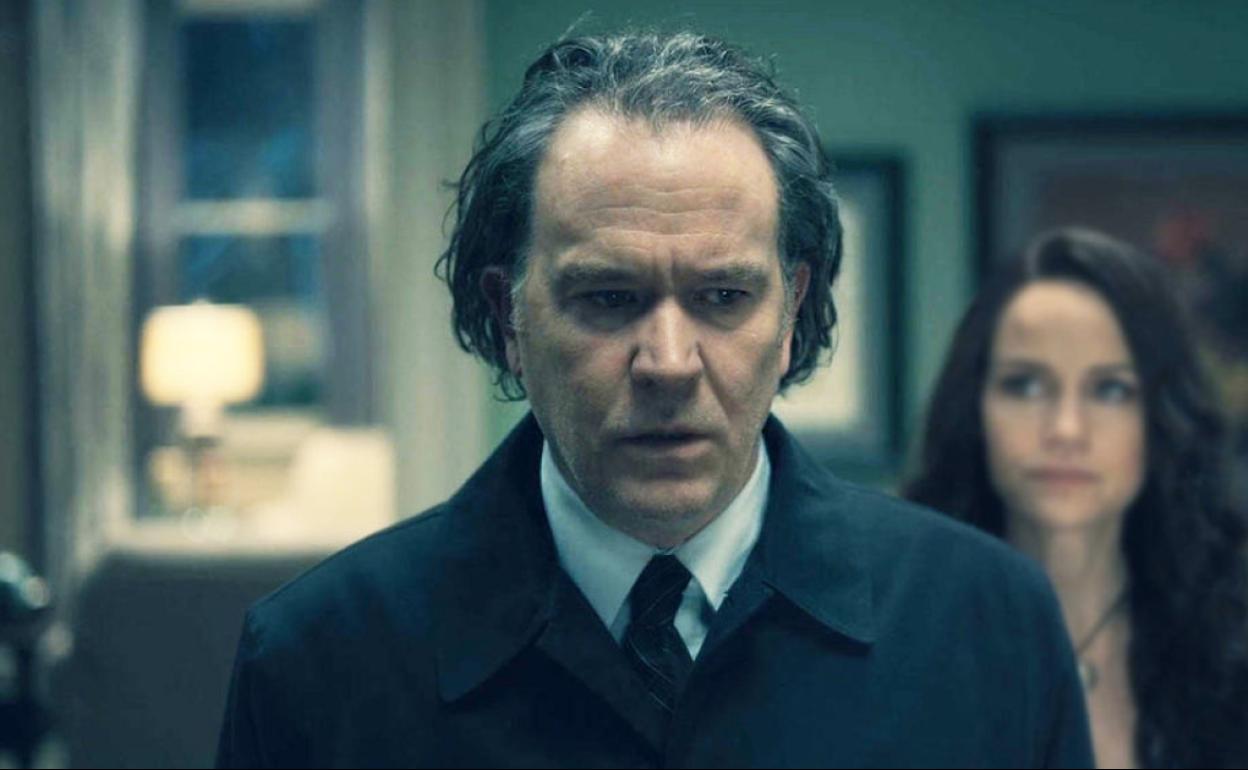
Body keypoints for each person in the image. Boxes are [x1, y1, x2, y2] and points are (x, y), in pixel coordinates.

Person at [217, 31, 1093, 767]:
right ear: (508, 315)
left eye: (723, 297)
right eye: (608, 297)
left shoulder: (989, 625)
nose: (669, 364)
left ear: (791, 313)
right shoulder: (316, 660)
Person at [904, 227, 1248, 768]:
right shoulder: (901, 641)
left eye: (1110, 390)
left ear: (1162, 418)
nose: (1066, 429)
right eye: (1025, 385)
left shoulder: (1228, 649)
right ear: (974, 409)